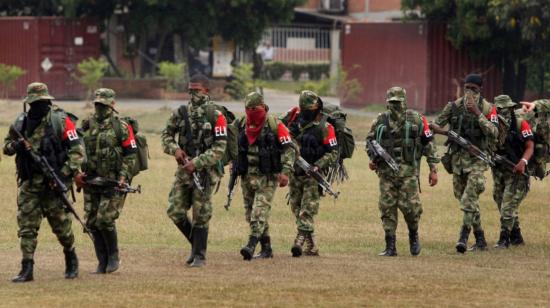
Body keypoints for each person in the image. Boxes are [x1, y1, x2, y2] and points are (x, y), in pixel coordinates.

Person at [3, 82, 85, 282]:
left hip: (54, 184)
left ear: (47, 101)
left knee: (62, 226)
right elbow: (6, 146)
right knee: (26, 227)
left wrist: (62, 174)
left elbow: (77, 152)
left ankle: (71, 257)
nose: (38, 106)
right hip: (29, 184)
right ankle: (27, 267)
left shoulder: (61, 121)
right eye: (34, 102)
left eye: (41, 102)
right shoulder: (21, 122)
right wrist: (16, 146)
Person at [161, 74, 228, 267]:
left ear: (206, 90)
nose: (192, 94)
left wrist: (197, 163)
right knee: (175, 210)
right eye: (190, 90)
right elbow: (166, 136)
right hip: (184, 169)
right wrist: (175, 150)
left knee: (201, 212)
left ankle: (199, 255)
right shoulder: (180, 112)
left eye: (196, 90)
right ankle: (195, 244)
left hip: (206, 172)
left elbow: (219, 148)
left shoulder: (216, 115)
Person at [366, 86, 439, 256]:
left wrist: (433, 169)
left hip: (408, 173)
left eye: (398, 103)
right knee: (387, 208)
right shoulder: (380, 121)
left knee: (412, 209)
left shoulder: (417, 119)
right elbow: (370, 142)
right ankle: (390, 246)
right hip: (386, 174)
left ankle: (414, 237)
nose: (395, 106)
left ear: (405, 102)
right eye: (392, 103)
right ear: (387, 103)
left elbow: (429, 144)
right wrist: (372, 159)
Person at [431, 74, 499, 253]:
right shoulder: (453, 106)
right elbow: (435, 125)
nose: (470, 92)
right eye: (467, 88)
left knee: (469, 199)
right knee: (464, 199)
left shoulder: (487, 108)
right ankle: (481, 239)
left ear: (480, 90)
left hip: (477, 159)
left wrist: (477, 113)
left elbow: (494, 132)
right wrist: (446, 133)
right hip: (458, 160)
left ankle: (463, 236)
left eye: (474, 89)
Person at [76, 88, 138, 273]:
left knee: (105, 219)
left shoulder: (121, 127)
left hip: (113, 181)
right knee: (92, 221)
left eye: (104, 104)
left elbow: (130, 154)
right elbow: (77, 150)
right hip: (91, 181)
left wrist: (122, 177)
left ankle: (113, 257)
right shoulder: (87, 124)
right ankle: (101, 261)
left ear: (112, 104)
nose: (100, 108)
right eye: (97, 104)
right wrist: (77, 173)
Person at [235, 92, 295, 260]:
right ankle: (267, 248)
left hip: (268, 177)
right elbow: (231, 143)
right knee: (250, 213)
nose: (251, 112)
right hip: (247, 176)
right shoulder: (241, 123)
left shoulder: (275, 125)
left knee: (259, 211)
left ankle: (251, 245)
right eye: (248, 109)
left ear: (263, 107)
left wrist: (286, 172)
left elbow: (289, 149)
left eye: (255, 108)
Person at [280, 90, 338, 257]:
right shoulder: (293, 120)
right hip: (295, 172)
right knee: (296, 207)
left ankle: (299, 241)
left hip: (313, 175)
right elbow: (278, 129)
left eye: (311, 109)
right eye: (305, 108)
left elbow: (333, 152)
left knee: (307, 209)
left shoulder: (325, 127)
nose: (308, 112)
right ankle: (312, 247)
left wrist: (318, 166)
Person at [491, 95, 534, 248]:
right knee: (499, 199)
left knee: (507, 206)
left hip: (517, 171)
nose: (505, 112)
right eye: (501, 109)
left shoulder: (521, 123)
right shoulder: (491, 124)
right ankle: (517, 236)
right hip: (498, 171)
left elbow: (530, 146)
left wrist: (523, 162)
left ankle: (504, 239)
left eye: (508, 109)